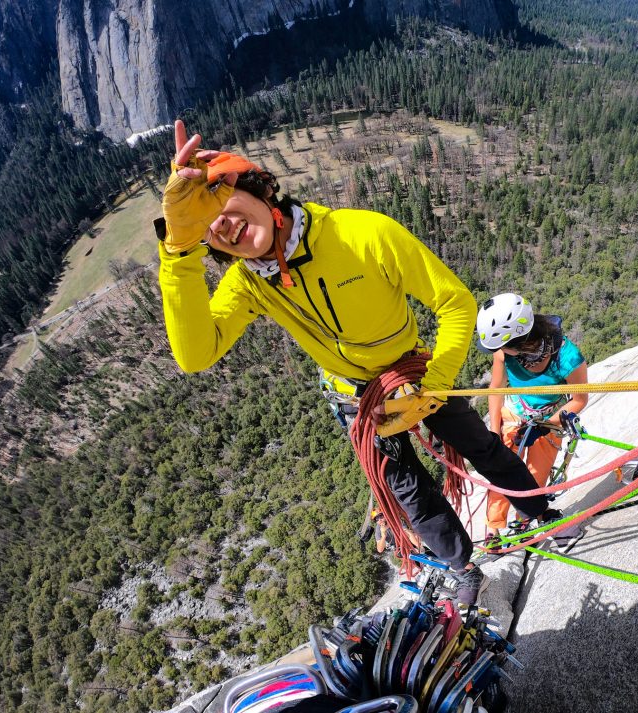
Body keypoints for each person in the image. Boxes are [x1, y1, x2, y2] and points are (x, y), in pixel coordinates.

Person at [156, 120, 565, 605]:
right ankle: (462, 567)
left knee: (483, 447)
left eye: (221, 206)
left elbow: (454, 302)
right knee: (410, 489)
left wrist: (434, 384)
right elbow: (196, 354)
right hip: (358, 397)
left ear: (257, 189)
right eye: (206, 227)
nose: (221, 225)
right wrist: (177, 252)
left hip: (416, 373)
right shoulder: (249, 283)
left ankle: (542, 515)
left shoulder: (361, 234)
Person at [476, 293, 588, 551]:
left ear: (521, 342)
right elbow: (496, 389)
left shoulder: (567, 358)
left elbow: (579, 399)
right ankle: (493, 528)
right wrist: (495, 433)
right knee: (500, 471)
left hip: (548, 420)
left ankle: (523, 521)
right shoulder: (505, 354)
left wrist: (546, 424)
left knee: (536, 475)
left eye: (502, 347)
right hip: (513, 413)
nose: (498, 352)